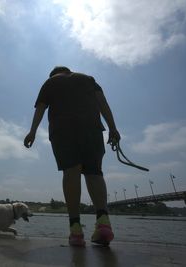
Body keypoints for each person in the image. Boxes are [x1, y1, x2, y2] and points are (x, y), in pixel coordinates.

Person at [24, 66, 120, 246]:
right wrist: (113, 128)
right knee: (94, 173)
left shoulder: (50, 82)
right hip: (92, 129)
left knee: (71, 172)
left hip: (63, 130)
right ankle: (103, 224)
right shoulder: (88, 78)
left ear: (54, 74)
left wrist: (32, 132)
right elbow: (102, 103)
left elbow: (41, 108)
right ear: (69, 71)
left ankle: (76, 230)